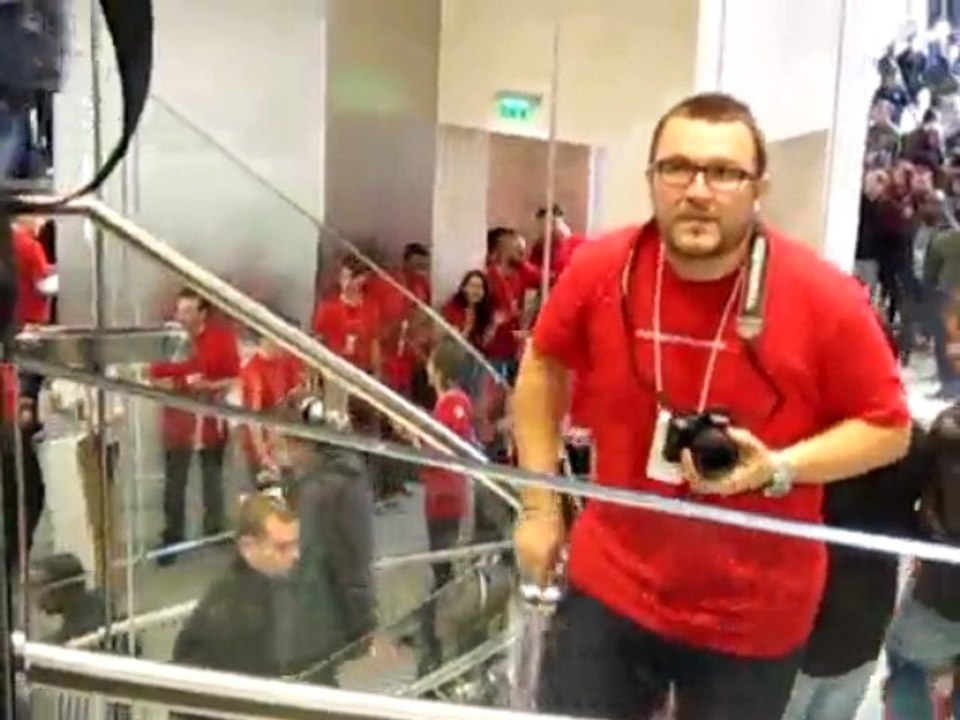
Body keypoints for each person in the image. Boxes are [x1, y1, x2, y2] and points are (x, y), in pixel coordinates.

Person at [512, 92, 911, 720]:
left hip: (752, 617)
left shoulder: (824, 297)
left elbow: (888, 428)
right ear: (652, 180)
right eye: (677, 168)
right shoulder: (601, 271)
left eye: (724, 173)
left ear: (759, 188)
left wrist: (779, 467)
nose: (698, 190)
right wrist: (539, 503)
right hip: (612, 584)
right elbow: (541, 367)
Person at [149, 289, 241, 558]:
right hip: (177, 425)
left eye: (189, 311)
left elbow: (234, 378)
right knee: (174, 485)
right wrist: (180, 385)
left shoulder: (221, 339)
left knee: (213, 481)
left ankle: (214, 531)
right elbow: (155, 379)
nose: (182, 317)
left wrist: (209, 385)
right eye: (180, 310)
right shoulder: (168, 341)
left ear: (203, 313)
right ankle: (172, 539)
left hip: (211, 423)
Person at [311, 255, 382, 378]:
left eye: (351, 278)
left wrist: (377, 372)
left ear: (362, 279)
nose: (346, 283)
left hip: (362, 371)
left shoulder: (371, 307)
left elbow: (374, 342)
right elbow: (318, 341)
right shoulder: (327, 307)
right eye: (343, 277)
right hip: (334, 371)